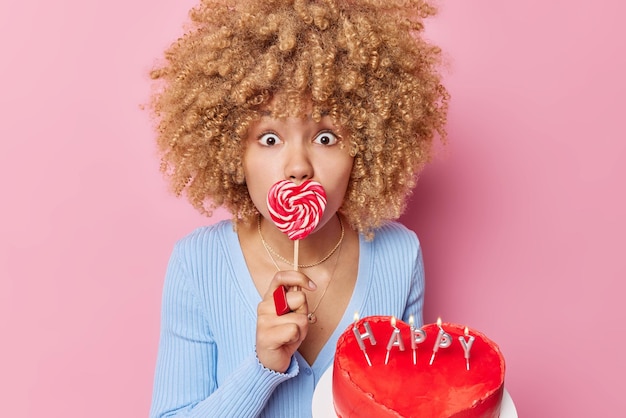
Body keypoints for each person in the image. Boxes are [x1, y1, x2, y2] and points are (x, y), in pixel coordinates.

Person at [148, 0, 448, 416]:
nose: (298, 167)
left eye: (325, 137)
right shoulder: (198, 263)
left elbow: (408, 404)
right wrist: (261, 369)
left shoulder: (400, 255)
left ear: (366, 146)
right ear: (234, 152)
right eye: (269, 138)